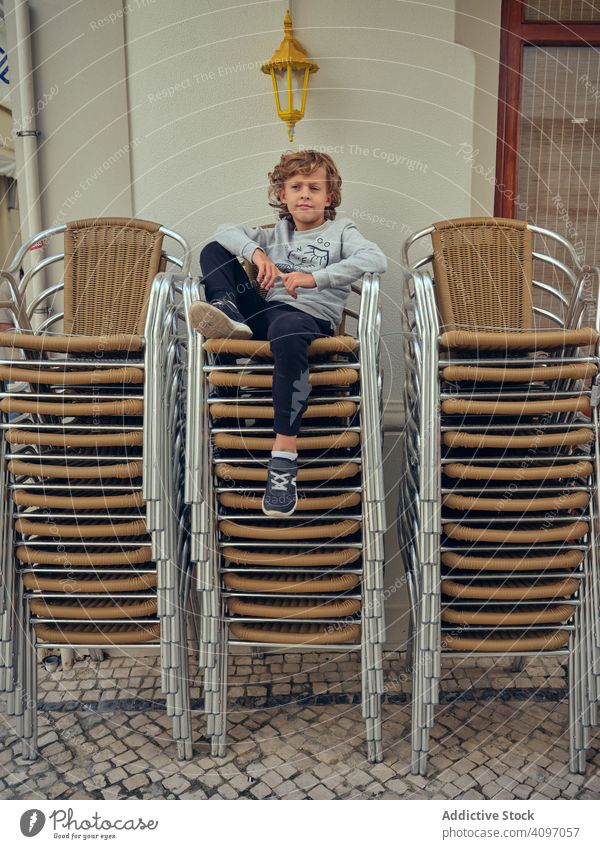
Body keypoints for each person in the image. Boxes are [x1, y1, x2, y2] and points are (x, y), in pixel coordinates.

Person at [189, 149, 387, 517]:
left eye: (315, 187)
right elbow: (222, 233)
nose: (305, 194)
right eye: (296, 187)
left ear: (329, 197)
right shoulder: (275, 233)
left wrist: (315, 277)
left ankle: (283, 458)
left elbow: (376, 259)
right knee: (215, 249)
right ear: (282, 195)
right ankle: (228, 312)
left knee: (286, 330)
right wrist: (257, 254)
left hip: (305, 319)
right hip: (265, 313)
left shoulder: (341, 231)